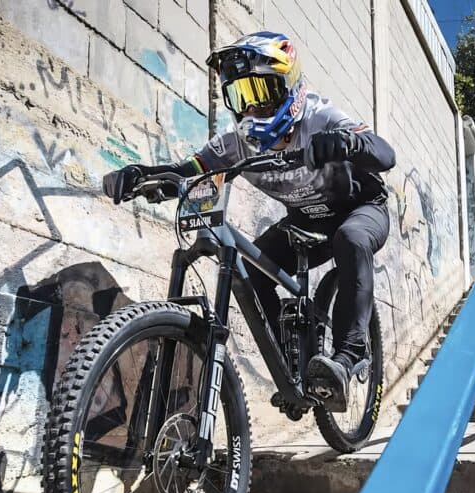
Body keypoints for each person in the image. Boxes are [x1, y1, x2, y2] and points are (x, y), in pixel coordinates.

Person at [101, 32, 396, 411]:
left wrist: (346, 143)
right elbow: (189, 170)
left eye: (263, 93)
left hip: (361, 209)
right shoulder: (234, 144)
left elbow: (385, 155)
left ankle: (348, 357)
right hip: (305, 221)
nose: (254, 109)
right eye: (243, 98)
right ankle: (296, 372)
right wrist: (146, 177)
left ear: (290, 87)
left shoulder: (320, 118)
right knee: (253, 271)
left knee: (351, 238)